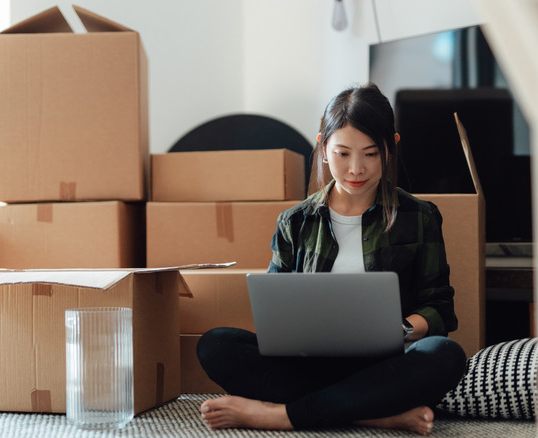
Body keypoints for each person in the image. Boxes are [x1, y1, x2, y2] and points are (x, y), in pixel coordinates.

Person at [196, 83, 466, 435]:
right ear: (323, 147)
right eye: (343, 154)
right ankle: (374, 414)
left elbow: (440, 307)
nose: (356, 169)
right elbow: (273, 310)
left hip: (383, 365)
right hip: (308, 364)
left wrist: (397, 329)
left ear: (391, 148)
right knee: (215, 344)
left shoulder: (420, 216)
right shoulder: (294, 221)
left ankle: (282, 416)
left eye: (371, 154)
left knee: (445, 354)